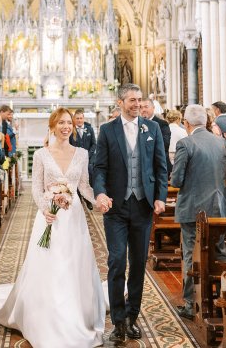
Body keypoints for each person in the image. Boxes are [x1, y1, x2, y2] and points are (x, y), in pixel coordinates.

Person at [0, 108, 106, 348]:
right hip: (49, 217)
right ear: (52, 125)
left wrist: (98, 200)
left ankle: (75, 313)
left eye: (69, 123)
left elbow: (84, 187)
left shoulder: (81, 154)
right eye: (61, 122)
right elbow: (37, 188)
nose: (65, 127)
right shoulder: (41, 154)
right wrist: (45, 209)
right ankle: (46, 316)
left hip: (73, 219)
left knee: (74, 264)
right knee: (50, 265)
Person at [94, 83, 168, 342]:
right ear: (120, 102)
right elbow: (99, 167)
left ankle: (131, 316)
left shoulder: (153, 128)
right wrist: (100, 192)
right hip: (116, 206)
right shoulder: (106, 131)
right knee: (116, 261)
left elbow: (161, 167)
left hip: (143, 206)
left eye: (139, 100)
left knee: (137, 263)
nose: (137, 104)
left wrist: (160, 197)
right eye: (132, 100)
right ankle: (117, 322)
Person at [170, 104, 226, 320]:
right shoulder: (220, 142)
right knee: (219, 252)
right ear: (206, 122)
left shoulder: (185, 143)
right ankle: (225, 296)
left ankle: (191, 303)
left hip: (192, 209)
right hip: (218, 207)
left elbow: (177, 180)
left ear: (186, 123)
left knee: (191, 254)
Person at [69, 109, 97, 210]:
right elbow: (69, 144)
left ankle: (88, 199)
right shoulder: (71, 130)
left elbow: (94, 144)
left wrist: (87, 155)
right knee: (75, 177)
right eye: (77, 118)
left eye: (81, 118)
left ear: (83, 118)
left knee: (89, 177)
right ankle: (78, 197)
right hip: (75, 159)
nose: (80, 120)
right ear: (74, 119)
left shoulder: (89, 129)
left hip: (88, 159)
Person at [140, 97, 172, 175]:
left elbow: (165, 144)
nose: (143, 109)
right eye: (141, 107)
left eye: (146, 107)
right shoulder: (138, 124)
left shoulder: (162, 124)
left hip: (158, 166)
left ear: (153, 108)